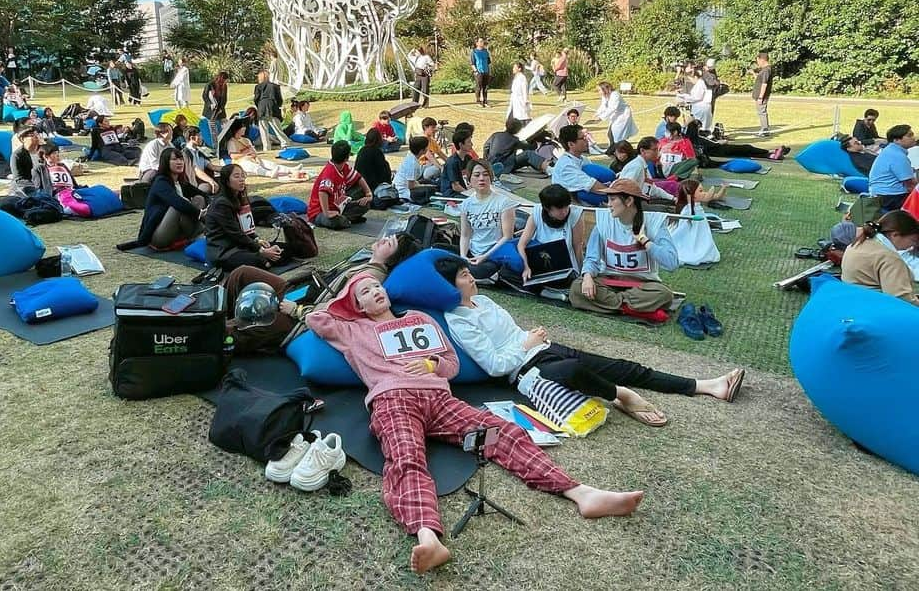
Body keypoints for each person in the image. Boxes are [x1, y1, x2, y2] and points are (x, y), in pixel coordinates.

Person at [306, 273, 644, 575]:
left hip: (440, 399)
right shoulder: (351, 330)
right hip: (393, 399)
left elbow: (451, 364)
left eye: (378, 285)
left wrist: (430, 363)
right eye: (365, 291)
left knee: (504, 433)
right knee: (406, 456)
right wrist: (357, 289)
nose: (376, 291)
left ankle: (581, 493)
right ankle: (428, 536)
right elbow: (315, 317)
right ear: (357, 305)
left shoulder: (420, 318)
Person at [440, 257, 746, 428]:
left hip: (544, 349)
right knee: (574, 370)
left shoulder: (484, 301)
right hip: (523, 370)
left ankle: (705, 385)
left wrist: (530, 337)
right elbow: (493, 365)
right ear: (449, 286)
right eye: (465, 276)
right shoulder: (458, 320)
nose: (472, 279)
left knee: (623, 366)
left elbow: (512, 332)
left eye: (469, 273)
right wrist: (524, 344)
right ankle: (620, 396)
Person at [569, 179, 678, 324]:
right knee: (577, 288)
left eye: (613, 199)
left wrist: (645, 241)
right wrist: (588, 277)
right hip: (609, 281)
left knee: (664, 295)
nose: (608, 205)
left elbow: (672, 263)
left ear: (629, 201)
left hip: (643, 285)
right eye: (608, 199)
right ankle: (631, 309)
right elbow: (591, 258)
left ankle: (617, 306)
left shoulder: (654, 222)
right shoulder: (603, 222)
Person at [510, 185, 593, 291]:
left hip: (565, 267)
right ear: (547, 209)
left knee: (565, 282)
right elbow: (521, 244)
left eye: (566, 207)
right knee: (510, 271)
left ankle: (546, 289)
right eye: (559, 209)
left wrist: (582, 274)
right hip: (540, 263)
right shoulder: (537, 212)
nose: (564, 212)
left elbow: (577, 247)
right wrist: (526, 266)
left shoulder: (575, 215)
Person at [205, 163, 284, 269]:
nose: (242, 179)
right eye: (237, 176)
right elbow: (235, 233)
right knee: (265, 262)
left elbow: (247, 227)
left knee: (283, 250)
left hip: (241, 245)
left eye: (243, 176)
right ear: (226, 181)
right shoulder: (221, 203)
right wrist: (261, 250)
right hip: (224, 251)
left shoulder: (240, 197)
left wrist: (257, 240)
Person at [131, 148, 206, 250]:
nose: (179, 162)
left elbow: (201, 194)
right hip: (158, 235)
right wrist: (200, 214)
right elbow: (178, 203)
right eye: (174, 159)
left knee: (199, 199)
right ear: (166, 162)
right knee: (177, 207)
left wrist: (212, 205)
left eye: (181, 159)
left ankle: (199, 233)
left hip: (176, 229)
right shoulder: (160, 182)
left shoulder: (180, 181)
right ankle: (200, 233)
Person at [842, 210, 919, 306]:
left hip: (852, 302)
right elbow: (900, 299)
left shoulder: (857, 243)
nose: (912, 246)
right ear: (895, 234)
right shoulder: (889, 258)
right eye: (913, 241)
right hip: (873, 308)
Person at [459, 160, 518, 281]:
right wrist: (463, 256)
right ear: (469, 179)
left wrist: (484, 256)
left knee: (479, 270)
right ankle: (465, 269)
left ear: (491, 178)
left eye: (485, 175)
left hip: (494, 255)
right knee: (437, 251)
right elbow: (465, 235)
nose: (481, 178)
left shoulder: (504, 202)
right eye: (477, 175)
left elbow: (507, 237)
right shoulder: (466, 204)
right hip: (473, 253)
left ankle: (466, 272)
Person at [324, 232, 424, 296]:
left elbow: (338, 303)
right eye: (389, 237)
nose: (384, 239)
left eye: (389, 244)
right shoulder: (367, 260)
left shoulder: (369, 278)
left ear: (393, 259)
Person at [307, 140, 372, 229]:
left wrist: (368, 194)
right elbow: (322, 192)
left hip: (338, 205)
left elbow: (359, 178)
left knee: (366, 204)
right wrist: (326, 212)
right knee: (336, 221)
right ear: (347, 157)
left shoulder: (344, 167)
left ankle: (346, 218)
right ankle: (346, 219)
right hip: (319, 212)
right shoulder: (329, 172)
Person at [223, 117, 302, 179]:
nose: (245, 128)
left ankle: (291, 170)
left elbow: (253, 150)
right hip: (240, 162)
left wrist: (253, 154)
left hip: (252, 158)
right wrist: (246, 153)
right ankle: (269, 173)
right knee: (253, 167)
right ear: (237, 129)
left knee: (270, 164)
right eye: (242, 127)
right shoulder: (232, 142)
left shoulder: (246, 140)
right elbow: (233, 156)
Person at [551, 124, 608, 207]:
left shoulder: (583, 159)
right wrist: (617, 193)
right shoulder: (566, 165)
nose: (587, 140)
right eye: (582, 138)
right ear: (571, 144)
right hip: (567, 206)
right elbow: (593, 186)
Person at [33, 142, 91, 217]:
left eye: (57, 153)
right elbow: (38, 188)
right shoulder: (39, 169)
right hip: (59, 195)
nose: (57, 155)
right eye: (54, 153)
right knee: (84, 209)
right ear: (45, 156)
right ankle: (68, 209)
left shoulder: (62, 165)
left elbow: (73, 183)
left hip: (72, 192)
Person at [867, 124, 917, 212]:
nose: (913, 138)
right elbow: (910, 185)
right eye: (909, 135)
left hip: (880, 194)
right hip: (890, 197)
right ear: (896, 140)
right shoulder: (898, 156)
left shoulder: (890, 150)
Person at [483, 117, 548, 176]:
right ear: (518, 130)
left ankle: (542, 167)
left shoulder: (495, 135)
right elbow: (529, 147)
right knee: (528, 154)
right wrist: (535, 141)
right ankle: (548, 168)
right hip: (506, 166)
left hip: (490, 163)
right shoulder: (514, 140)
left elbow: (485, 147)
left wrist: (486, 161)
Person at [618, 137, 678, 201]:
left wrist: (672, 198)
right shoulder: (636, 166)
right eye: (654, 150)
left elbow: (652, 189)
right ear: (642, 151)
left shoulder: (643, 165)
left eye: (657, 150)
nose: (658, 153)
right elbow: (624, 188)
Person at [594, 81, 637, 152]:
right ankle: (613, 149)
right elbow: (603, 106)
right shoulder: (605, 96)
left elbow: (612, 108)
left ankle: (621, 150)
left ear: (605, 89)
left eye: (599, 90)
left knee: (618, 135)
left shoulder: (615, 95)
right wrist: (597, 113)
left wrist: (601, 117)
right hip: (616, 116)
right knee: (610, 134)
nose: (599, 92)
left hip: (622, 116)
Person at [392, 137, 437, 203]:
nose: (428, 149)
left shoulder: (411, 156)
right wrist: (424, 186)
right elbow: (411, 186)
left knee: (428, 181)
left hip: (406, 185)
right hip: (404, 191)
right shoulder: (412, 163)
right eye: (426, 147)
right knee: (431, 189)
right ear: (422, 150)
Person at [253, 70, 288, 151]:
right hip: (272, 106)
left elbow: (256, 99)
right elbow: (279, 99)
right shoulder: (275, 86)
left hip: (261, 107)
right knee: (277, 127)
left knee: (263, 129)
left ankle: (266, 147)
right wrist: (277, 106)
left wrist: (259, 106)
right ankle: (285, 143)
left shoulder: (258, 87)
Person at [182, 128, 220, 197]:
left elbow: (212, 167)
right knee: (208, 187)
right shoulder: (185, 153)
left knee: (228, 180)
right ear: (192, 138)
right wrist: (211, 181)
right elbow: (196, 170)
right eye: (199, 135)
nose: (201, 138)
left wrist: (230, 168)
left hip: (204, 179)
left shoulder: (199, 152)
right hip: (195, 184)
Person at [354, 128, 393, 193]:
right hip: (372, 185)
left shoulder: (362, 150)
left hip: (361, 183)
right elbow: (383, 172)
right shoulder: (376, 152)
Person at [441, 128, 474, 197]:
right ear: (461, 145)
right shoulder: (452, 162)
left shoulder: (468, 158)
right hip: (453, 193)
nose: (472, 144)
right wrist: (469, 194)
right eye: (469, 142)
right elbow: (455, 186)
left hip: (465, 189)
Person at [10, 128, 41, 194]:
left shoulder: (43, 151)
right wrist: (35, 186)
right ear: (22, 139)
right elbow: (18, 178)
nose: (36, 137)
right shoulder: (17, 155)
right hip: (26, 187)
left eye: (37, 134)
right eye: (32, 135)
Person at [202, 71, 229, 141]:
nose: (224, 83)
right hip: (211, 111)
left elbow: (224, 99)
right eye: (223, 81)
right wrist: (210, 104)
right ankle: (214, 144)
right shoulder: (210, 84)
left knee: (222, 129)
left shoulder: (224, 86)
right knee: (213, 130)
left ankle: (221, 143)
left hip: (220, 112)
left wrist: (221, 108)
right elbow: (204, 96)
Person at [752, 52, 773, 137]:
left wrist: (761, 97)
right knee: (760, 112)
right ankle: (764, 129)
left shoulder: (766, 70)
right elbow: (759, 80)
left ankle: (765, 130)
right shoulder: (764, 70)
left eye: (758, 61)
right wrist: (753, 73)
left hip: (762, 96)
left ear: (762, 60)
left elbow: (764, 84)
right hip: (759, 95)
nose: (758, 63)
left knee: (762, 112)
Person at [507, 62, 531, 127]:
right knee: (513, 114)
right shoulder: (516, 77)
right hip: (515, 99)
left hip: (520, 99)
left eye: (515, 67)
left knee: (522, 115)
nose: (513, 69)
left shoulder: (522, 78)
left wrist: (525, 100)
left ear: (519, 69)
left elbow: (524, 89)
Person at [470, 37, 492, 107]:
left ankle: (485, 101)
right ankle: (478, 102)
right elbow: (472, 63)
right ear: (477, 43)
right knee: (479, 87)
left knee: (485, 88)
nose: (482, 42)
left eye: (482, 41)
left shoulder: (486, 51)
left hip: (486, 71)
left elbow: (489, 62)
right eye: (480, 41)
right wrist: (476, 71)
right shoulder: (474, 52)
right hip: (478, 72)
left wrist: (489, 71)